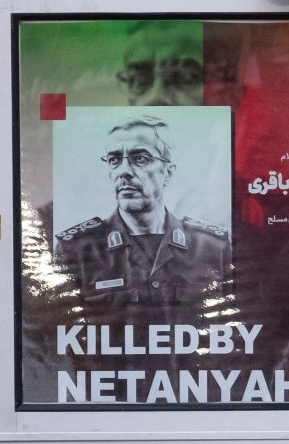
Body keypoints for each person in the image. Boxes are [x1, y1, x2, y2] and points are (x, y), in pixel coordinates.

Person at [55, 114, 231, 315]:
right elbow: (58, 333)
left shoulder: (211, 247)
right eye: (114, 160)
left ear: (168, 172)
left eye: (140, 158)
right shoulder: (76, 251)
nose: (124, 171)